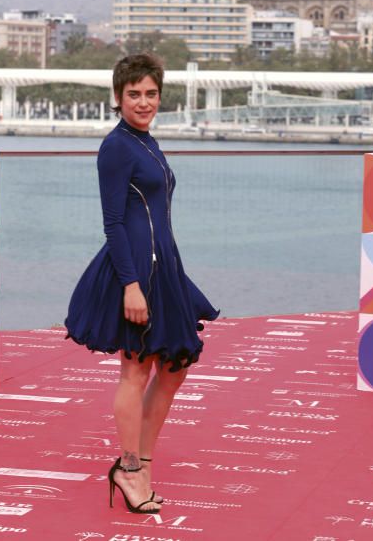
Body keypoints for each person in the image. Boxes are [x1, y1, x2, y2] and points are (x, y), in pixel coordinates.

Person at [65, 53, 219, 514]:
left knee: (173, 366)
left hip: (163, 267)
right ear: (118, 97)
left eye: (151, 93)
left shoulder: (147, 142)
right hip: (133, 271)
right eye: (134, 94)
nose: (143, 101)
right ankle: (130, 471)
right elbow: (113, 222)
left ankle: (140, 464)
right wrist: (131, 285)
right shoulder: (117, 147)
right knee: (135, 370)